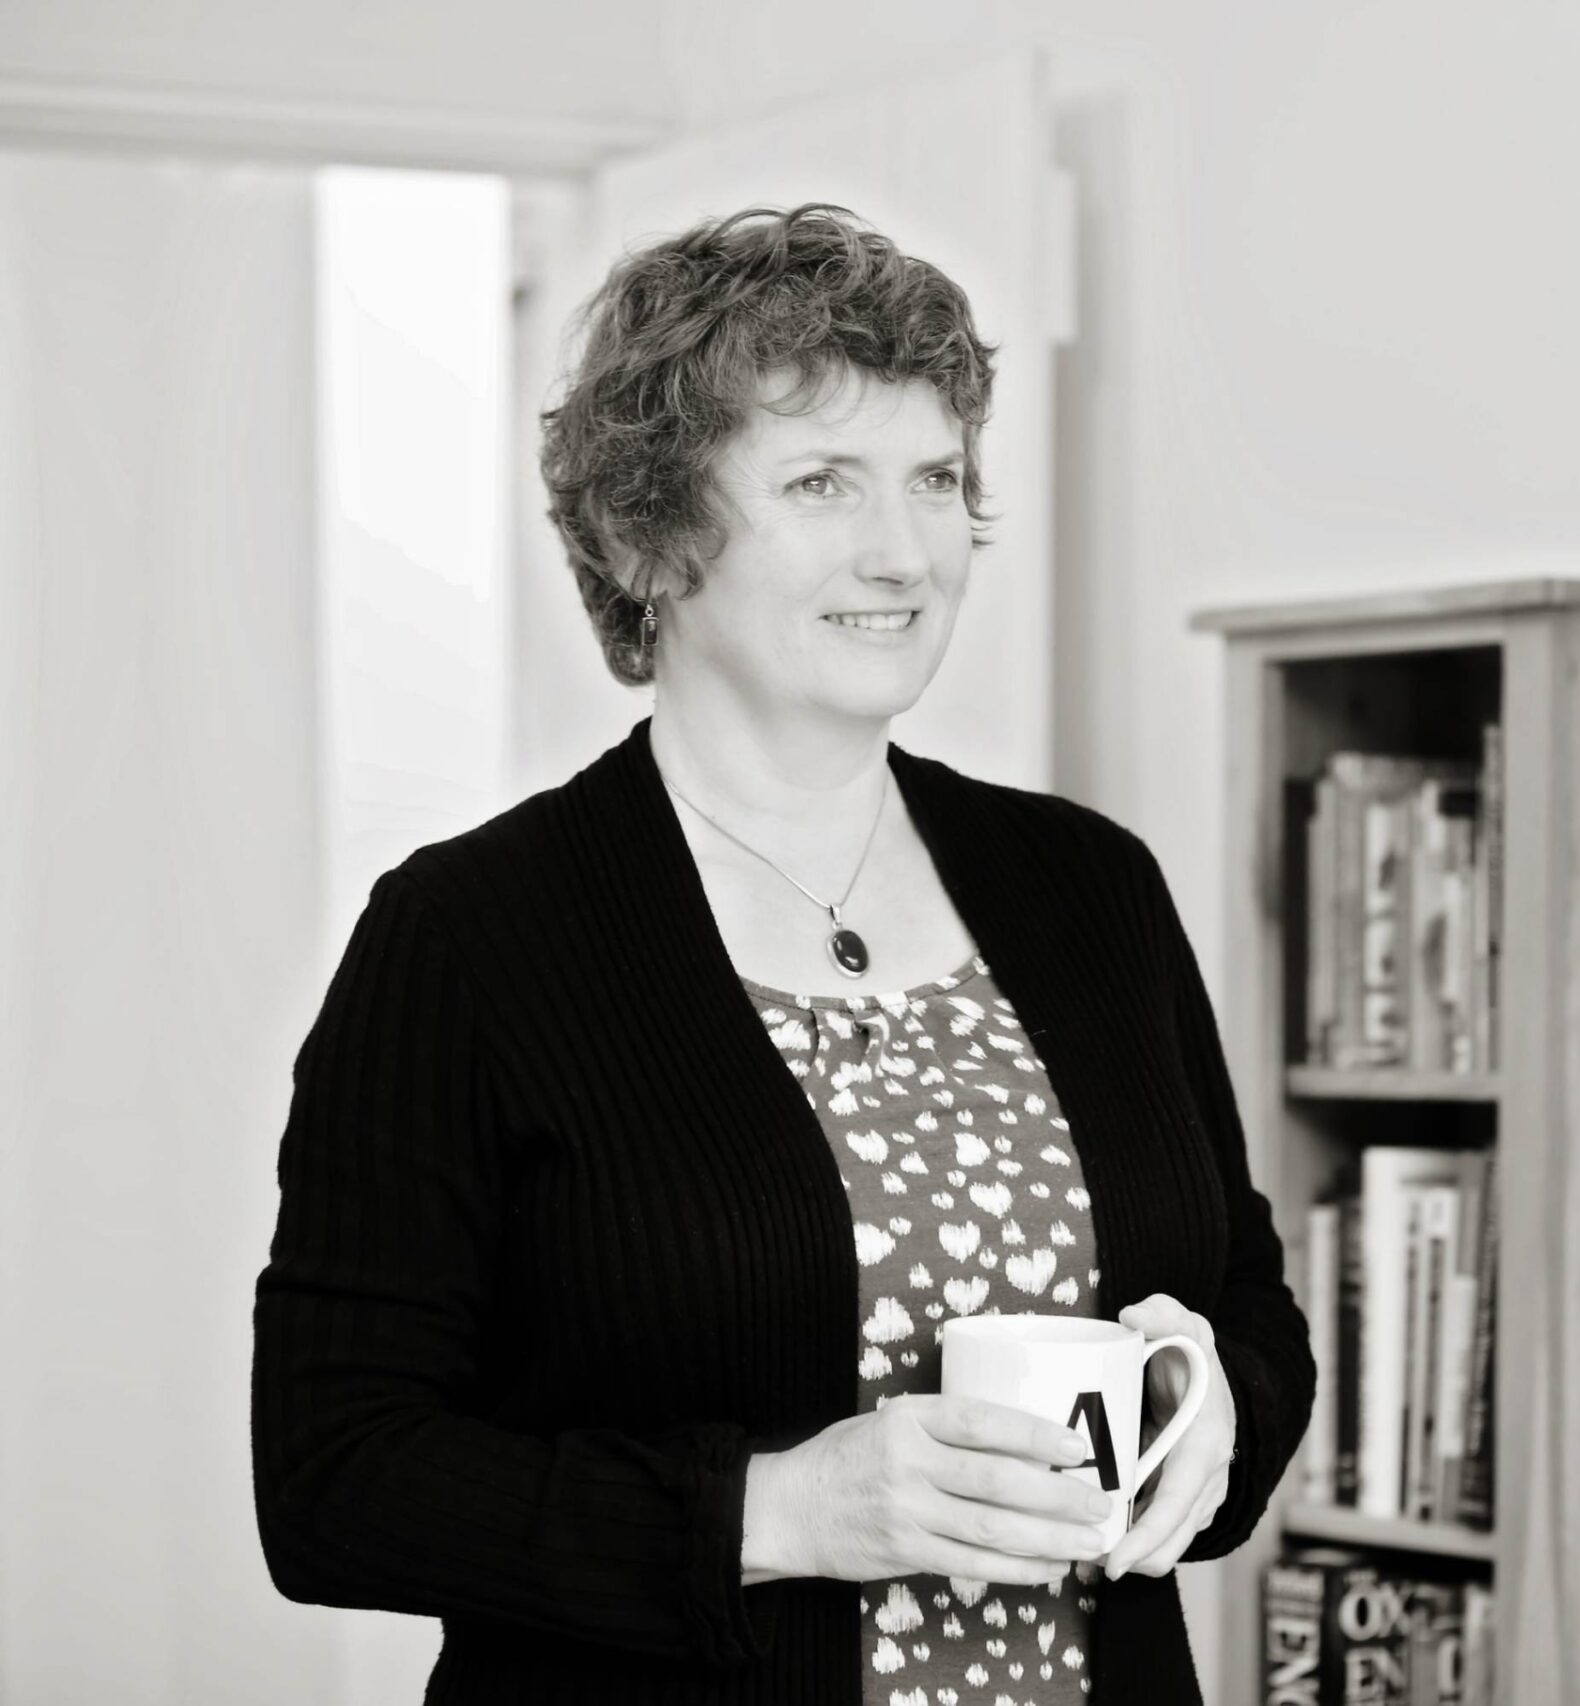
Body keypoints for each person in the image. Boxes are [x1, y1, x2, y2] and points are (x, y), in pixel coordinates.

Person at [251, 203, 1315, 1706]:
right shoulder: (472, 935)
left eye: (936, 478)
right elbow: (334, 1473)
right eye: (823, 481)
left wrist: (1218, 1402)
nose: (906, 551)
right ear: (648, 532)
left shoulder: (1091, 889)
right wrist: (780, 1510)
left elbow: (1250, 1302)